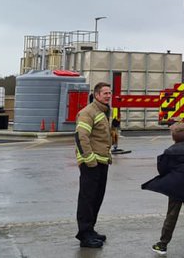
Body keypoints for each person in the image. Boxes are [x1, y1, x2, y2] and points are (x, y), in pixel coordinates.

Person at [142, 123, 184, 257]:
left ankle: (163, 244)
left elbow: (162, 169)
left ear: (173, 138)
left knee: (171, 216)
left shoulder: (169, 152)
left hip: (176, 188)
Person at [73, 82, 114, 248]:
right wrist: (90, 160)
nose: (108, 96)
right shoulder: (88, 112)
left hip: (101, 162)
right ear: (97, 95)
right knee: (87, 199)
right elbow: (81, 136)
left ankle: (90, 230)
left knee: (96, 198)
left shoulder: (102, 111)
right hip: (91, 164)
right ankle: (84, 235)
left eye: (109, 93)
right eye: (105, 93)